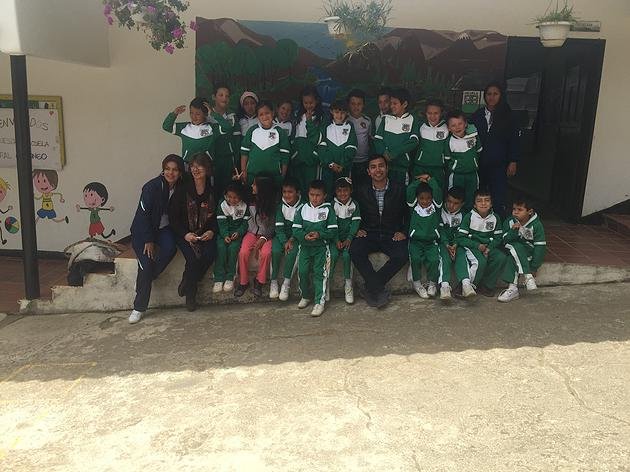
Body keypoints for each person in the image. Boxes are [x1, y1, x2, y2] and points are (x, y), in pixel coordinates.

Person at [128, 155, 184, 323]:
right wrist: (148, 240)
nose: (170, 173)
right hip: (143, 233)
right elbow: (143, 215)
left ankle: (149, 276)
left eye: (174, 170)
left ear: (180, 172)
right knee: (145, 265)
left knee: (170, 248)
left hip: (163, 229)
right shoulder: (151, 187)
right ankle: (138, 308)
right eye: (167, 169)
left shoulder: (181, 187)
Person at [349, 155, 409, 308]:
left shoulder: (399, 189)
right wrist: (358, 229)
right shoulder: (361, 189)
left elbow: (409, 213)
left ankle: (371, 287)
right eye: (373, 167)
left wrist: (403, 231)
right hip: (369, 232)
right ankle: (377, 288)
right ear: (368, 171)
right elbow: (353, 211)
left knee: (402, 254)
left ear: (387, 168)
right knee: (355, 251)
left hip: (391, 233)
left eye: (381, 166)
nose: (378, 170)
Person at [168, 153, 218, 311]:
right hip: (184, 233)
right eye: (192, 166)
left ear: (207, 169)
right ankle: (191, 295)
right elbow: (173, 217)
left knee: (210, 254)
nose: (195, 169)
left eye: (200, 166)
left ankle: (188, 281)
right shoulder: (182, 190)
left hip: (205, 233)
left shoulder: (213, 191)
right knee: (193, 259)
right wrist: (185, 234)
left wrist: (211, 231)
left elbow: (218, 216)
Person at [470, 82, 520, 218]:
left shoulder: (508, 116)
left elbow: (514, 140)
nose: (492, 97)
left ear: (501, 96)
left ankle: (498, 227)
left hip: (499, 163)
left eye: (495, 94)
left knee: (497, 196)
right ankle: (478, 225)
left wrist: (513, 161)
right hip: (479, 162)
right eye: (489, 94)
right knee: (480, 196)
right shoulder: (478, 115)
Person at [292, 179, 338, 317]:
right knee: (303, 272)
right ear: (308, 194)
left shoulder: (328, 210)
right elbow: (295, 229)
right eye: (312, 194)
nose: (315, 198)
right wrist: (304, 236)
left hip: (321, 248)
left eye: (318, 195)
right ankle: (305, 296)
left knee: (320, 273)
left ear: (324, 196)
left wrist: (319, 234)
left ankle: (319, 302)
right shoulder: (302, 209)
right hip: (305, 247)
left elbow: (333, 231)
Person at [455, 189, 506, 298]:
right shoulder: (469, 217)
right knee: (480, 262)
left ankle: (487, 286)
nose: (483, 203)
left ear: (491, 203)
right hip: (473, 246)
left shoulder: (495, 218)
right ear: (474, 204)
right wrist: (477, 246)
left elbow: (498, 238)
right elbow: (461, 238)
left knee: (500, 257)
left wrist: (489, 248)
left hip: (488, 247)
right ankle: (466, 287)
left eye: (487, 200)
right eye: (479, 201)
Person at [498, 196, 547, 302]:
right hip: (510, 247)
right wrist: (513, 231)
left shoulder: (537, 225)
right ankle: (528, 276)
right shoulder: (510, 221)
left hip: (526, 254)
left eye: (520, 210)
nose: (515, 212)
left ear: (530, 211)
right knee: (516, 246)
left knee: (512, 258)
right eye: (514, 209)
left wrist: (534, 266)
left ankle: (513, 289)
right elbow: (504, 240)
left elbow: (540, 247)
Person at [235, 175, 277, 298]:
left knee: (266, 253)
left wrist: (263, 239)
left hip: (267, 235)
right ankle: (243, 282)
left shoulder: (273, 204)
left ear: (262, 188)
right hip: (251, 232)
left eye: (254, 185)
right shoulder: (250, 199)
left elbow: (273, 227)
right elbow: (236, 192)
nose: (252, 186)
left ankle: (259, 281)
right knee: (243, 253)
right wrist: (237, 181)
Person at [406, 175, 442, 299]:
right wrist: (418, 181)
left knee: (434, 260)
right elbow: (410, 190)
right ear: (417, 198)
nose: (425, 201)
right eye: (421, 198)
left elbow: (437, 190)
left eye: (428, 198)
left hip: (431, 242)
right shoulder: (414, 207)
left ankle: (432, 284)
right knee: (415, 259)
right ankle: (417, 284)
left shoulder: (436, 208)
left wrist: (430, 179)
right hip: (415, 242)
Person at [374, 87, 420, 185]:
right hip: (385, 168)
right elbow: (378, 140)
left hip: (402, 169)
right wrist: (384, 153)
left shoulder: (412, 119)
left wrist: (393, 153)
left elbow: (414, 141)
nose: (391, 106)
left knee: (401, 196)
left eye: (395, 103)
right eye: (391, 103)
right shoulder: (386, 119)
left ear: (405, 104)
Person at [240, 101, 290, 186]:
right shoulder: (252, 130)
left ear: (273, 113)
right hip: (253, 177)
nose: (265, 117)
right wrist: (243, 171)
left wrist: (282, 176)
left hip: (274, 177)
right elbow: (244, 152)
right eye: (261, 114)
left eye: (267, 113)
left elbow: (285, 156)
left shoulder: (279, 132)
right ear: (258, 117)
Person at [270, 177, 304, 301]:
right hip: (281, 236)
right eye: (284, 192)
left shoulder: (303, 206)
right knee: (275, 251)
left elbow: (300, 227)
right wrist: (284, 241)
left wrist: (292, 240)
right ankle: (273, 282)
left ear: (297, 193)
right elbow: (279, 228)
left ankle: (286, 283)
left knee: (292, 252)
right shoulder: (280, 206)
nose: (287, 195)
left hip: (296, 237)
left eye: (290, 192)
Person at [214, 182, 250, 294]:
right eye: (229, 197)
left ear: (240, 197)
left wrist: (238, 233)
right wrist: (225, 235)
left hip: (237, 235)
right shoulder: (222, 205)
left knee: (233, 249)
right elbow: (221, 223)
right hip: (223, 234)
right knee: (221, 248)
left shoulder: (244, 206)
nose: (232, 200)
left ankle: (230, 276)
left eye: (235, 197)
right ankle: (219, 278)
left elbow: (245, 224)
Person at [316, 100, 357, 198]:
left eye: (342, 112)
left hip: (344, 169)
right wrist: (330, 163)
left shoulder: (350, 126)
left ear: (347, 113)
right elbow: (321, 148)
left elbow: (352, 147)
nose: (339, 115)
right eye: (337, 112)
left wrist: (342, 164)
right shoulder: (326, 126)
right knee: (327, 194)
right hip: (327, 169)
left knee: (343, 194)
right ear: (331, 112)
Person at [162, 97, 221, 164]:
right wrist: (174, 114)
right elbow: (166, 126)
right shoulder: (183, 128)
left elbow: (227, 127)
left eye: (198, 114)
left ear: (206, 114)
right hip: (187, 166)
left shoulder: (212, 128)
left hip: (206, 167)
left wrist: (213, 114)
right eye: (191, 113)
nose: (194, 117)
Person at [330, 177, 361, 304]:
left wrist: (349, 238)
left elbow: (355, 223)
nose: (343, 193)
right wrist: (336, 240)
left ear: (351, 191)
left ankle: (348, 286)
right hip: (334, 239)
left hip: (349, 239)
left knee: (348, 256)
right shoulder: (332, 205)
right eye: (339, 191)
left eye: (345, 190)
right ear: (335, 192)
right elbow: (331, 224)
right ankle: (326, 284)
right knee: (333, 255)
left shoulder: (354, 204)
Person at [207, 84, 240, 201]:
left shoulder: (232, 117)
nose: (224, 98)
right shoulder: (206, 117)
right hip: (211, 161)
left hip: (228, 162)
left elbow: (236, 142)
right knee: (211, 191)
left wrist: (236, 162)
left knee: (228, 193)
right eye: (220, 95)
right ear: (213, 97)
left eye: (227, 96)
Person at [444, 110, 482, 211]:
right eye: (453, 125)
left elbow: (478, 152)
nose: (457, 127)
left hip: (472, 174)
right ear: (448, 128)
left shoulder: (474, 137)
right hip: (457, 176)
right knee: (455, 199)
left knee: (472, 198)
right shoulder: (449, 142)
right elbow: (447, 160)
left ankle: (468, 221)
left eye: (460, 123)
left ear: (465, 124)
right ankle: (455, 221)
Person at [290, 85, 324, 195]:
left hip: (311, 160)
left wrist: (309, 121)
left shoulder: (321, 117)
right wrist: (295, 154)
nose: (308, 106)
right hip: (298, 159)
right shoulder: (298, 116)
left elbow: (317, 139)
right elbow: (294, 137)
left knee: (312, 189)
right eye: (305, 103)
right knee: (299, 188)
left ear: (317, 101)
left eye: (311, 103)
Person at [412, 99, 449, 189]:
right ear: (425, 113)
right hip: (420, 167)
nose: (432, 116)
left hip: (438, 168)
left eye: (436, 113)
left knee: (437, 193)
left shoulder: (447, 127)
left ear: (441, 113)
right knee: (419, 193)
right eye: (429, 113)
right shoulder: (420, 126)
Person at [437, 186, 466, 300]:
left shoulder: (464, 215)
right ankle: (444, 286)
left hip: (457, 244)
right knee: (445, 258)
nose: (451, 205)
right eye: (449, 201)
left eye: (455, 203)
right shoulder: (440, 212)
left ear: (462, 204)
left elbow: (461, 233)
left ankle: (466, 284)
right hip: (443, 244)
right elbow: (441, 231)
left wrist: (455, 244)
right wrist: (446, 244)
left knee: (461, 255)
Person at [346, 89, 372, 188]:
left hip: (364, 161)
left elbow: (369, 139)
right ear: (348, 104)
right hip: (349, 161)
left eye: (359, 104)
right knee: (349, 187)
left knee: (363, 187)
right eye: (353, 103)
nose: (356, 106)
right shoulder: (345, 119)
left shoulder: (367, 120)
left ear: (363, 105)